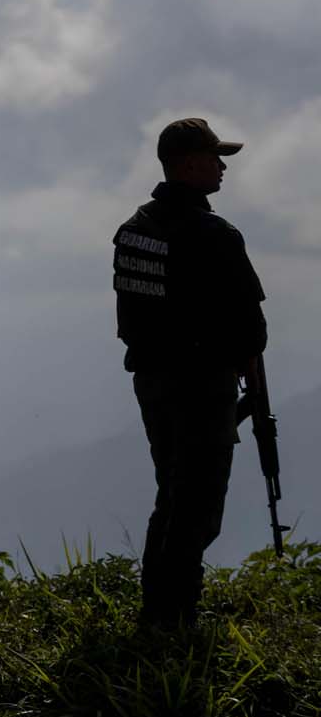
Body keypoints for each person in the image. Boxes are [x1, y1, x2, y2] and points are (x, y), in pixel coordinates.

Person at [113, 117, 267, 630]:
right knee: (197, 504)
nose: (222, 167)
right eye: (214, 158)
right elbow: (251, 332)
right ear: (187, 165)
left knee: (172, 493)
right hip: (202, 384)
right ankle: (173, 616)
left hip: (153, 383)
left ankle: (159, 607)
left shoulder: (135, 229)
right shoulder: (215, 234)